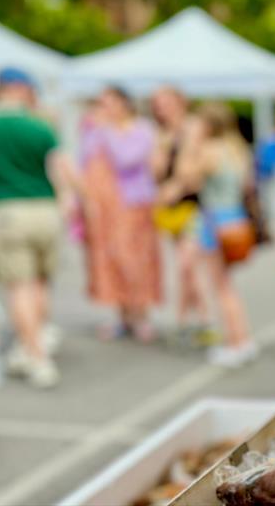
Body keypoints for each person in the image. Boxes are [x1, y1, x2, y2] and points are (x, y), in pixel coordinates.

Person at [0, 68, 72, 388]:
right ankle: (33, 342)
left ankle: (37, 355)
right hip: (46, 209)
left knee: (20, 285)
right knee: (40, 281)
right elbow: (63, 171)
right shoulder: (42, 126)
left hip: (10, 209)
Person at [162, 102, 256, 367]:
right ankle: (243, 339)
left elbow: (185, 176)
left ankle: (235, 343)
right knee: (228, 286)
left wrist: (189, 143)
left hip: (216, 221)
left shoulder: (209, 151)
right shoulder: (236, 149)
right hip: (235, 218)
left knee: (221, 287)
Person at [80, 86, 161, 341]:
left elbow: (126, 159)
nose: (103, 109)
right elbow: (85, 161)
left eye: (108, 103)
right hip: (105, 207)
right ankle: (122, 314)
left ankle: (140, 314)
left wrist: (105, 130)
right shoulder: (96, 131)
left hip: (132, 204)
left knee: (135, 258)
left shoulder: (141, 129)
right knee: (110, 259)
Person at [151, 86, 210, 335]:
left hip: (195, 205)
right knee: (184, 266)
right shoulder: (162, 134)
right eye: (158, 104)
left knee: (187, 264)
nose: (162, 108)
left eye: (166, 102)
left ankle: (200, 319)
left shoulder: (193, 127)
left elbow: (191, 172)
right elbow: (155, 172)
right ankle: (186, 321)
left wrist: (175, 185)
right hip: (172, 210)